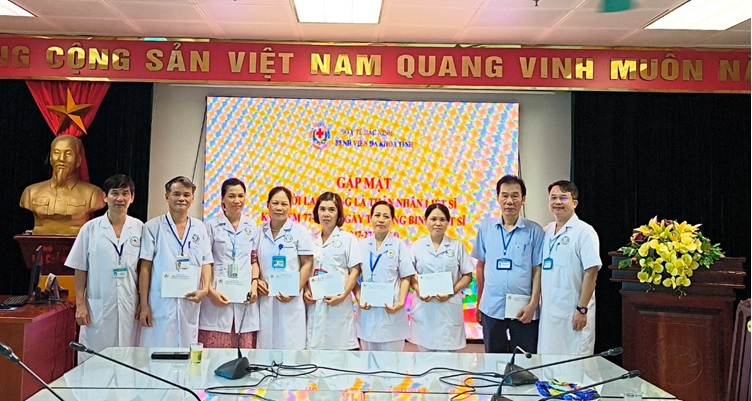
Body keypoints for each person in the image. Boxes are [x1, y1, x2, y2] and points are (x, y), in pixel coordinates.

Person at [65, 174, 142, 363]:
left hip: (130, 305)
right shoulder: (90, 229)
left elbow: (144, 269)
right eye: (115, 193)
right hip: (98, 307)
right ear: (105, 197)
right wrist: (81, 305)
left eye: (125, 193)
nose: (120, 198)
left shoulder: (139, 228)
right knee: (95, 361)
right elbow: (80, 268)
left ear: (132, 197)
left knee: (129, 361)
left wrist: (144, 302)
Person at [472, 175, 544, 354]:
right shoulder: (485, 228)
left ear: (523, 199)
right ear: (498, 198)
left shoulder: (534, 231)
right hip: (491, 306)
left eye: (515, 196)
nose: (509, 201)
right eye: (504, 195)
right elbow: (480, 267)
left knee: (523, 359)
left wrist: (533, 304)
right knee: (493, 358)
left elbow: (538, 270)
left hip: (523, 308)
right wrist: (479, 302)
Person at [137, 176, 213, 347]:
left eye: (186, 195)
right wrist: (144, 305)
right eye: (176, 194)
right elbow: (145, 268)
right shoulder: (152, 227)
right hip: (160, 303)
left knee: (186, 351)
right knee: (156, 351)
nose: (181, 199)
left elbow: (206, 262)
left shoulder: (199, 227)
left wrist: (205, 289)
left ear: (192, 198)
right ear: (167, 196)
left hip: (189, 301)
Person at [539, 180, 601, 356]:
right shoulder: (546, 231)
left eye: (563, 198)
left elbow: (591, 271)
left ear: (574, 203)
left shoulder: (584, 232)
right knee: (548, 363)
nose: (557, 202)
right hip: (549, 316)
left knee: (574, 366)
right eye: (553, 198)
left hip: (574, 314)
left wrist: (582, 309)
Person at [199, 178, 261, 348]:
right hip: (217, 297)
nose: (237, 201)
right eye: (232, 196)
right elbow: (205, 262)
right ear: (223, 199)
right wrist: (210, 291)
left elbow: (253, 260)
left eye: (241, 196)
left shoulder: (252, 226)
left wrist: (254, 285)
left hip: (244, 296)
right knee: (215, 353)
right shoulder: (211, 226)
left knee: (243, 354)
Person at [408, 203, 474, 352]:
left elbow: (467, 275)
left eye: (442, 219)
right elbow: (409, 275)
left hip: (448, 309)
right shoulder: (417, 246)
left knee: (448, 359)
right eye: (433, 219)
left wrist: (451, 291)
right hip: (424, 308)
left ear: (448, 222)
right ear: (425, 220)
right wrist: (419, 289)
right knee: (425, 359)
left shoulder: (457, 246)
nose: (438, 223)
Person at [256, 186, 314, 350]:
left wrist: (295, 289)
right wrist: (257, 280)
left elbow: (307, 263)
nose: (279, 208)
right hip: (266, 297)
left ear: (290, 206)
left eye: (284, 204)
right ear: (268, 205)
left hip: (291, 300)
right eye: (275, 203)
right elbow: (254, 261)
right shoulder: (259, 231)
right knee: (266, 350)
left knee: (291, 349)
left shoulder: (299, 232)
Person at [303, 192, 362, 350]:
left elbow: (355, 271)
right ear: (317, 212)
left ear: (339, 213)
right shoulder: (310, 239)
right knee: (314, 352)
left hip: (339, 304)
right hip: (315, 303)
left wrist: (342, 295)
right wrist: (306, 289)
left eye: (331, 210)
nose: (326, 214)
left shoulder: (348, 239)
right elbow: (305, 268)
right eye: (322, 209)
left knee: (340, 352)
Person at [355, 200, 416, 352]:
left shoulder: (398, 245)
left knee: (392, 363)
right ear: (370, 218)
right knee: (368, 362)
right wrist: (359, 297)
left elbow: (406, 276)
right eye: (377, 215)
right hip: (368, 314)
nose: (381, 220)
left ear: (392, 221)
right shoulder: (361, 245)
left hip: (391, 312)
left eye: (386, 216)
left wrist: (401, 302)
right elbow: (354, 276)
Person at [20, 135, 105, 235]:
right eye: (56, 153)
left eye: (68, 154)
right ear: (50, 158)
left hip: (77, 242)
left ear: (78, 160)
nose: (61, 159)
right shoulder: (30, 192)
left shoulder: (93, 194)